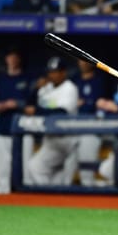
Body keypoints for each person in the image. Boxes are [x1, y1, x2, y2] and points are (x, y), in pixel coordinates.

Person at [24, 57, 79, 185]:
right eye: (50, 72)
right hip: (51, 140)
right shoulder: (45, 88)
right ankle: (50, 201)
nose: (52, 75)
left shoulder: (69, 88)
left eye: (55, 71)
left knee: (66, 181)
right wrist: (36, 89)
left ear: (63, 72)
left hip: (68, 140)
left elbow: (62, 112)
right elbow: (28, 106)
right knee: (34, 167)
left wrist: (37, 111)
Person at [0, 47, 33, 194]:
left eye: (15, 57)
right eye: (10, 57)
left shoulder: (26, 79)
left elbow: (31, 104)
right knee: (3, 166)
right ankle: (3, 193)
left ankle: (27, 194)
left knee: (26, 165)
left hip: (23, 128)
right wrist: (1, 106)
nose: (13, 60)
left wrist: (16, 104)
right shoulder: (0, 80)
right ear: (6, 59)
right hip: (3, 126)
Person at [72, 60, 114, 186]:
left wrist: (85, 103)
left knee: (87, 167)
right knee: (69, 163)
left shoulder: (101, 81)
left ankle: (89, 193)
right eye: (80, 61)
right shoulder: (74, 80)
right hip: (73, 125)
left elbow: (103, 104)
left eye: (85, 61)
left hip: (93, 125)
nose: (83, 64)